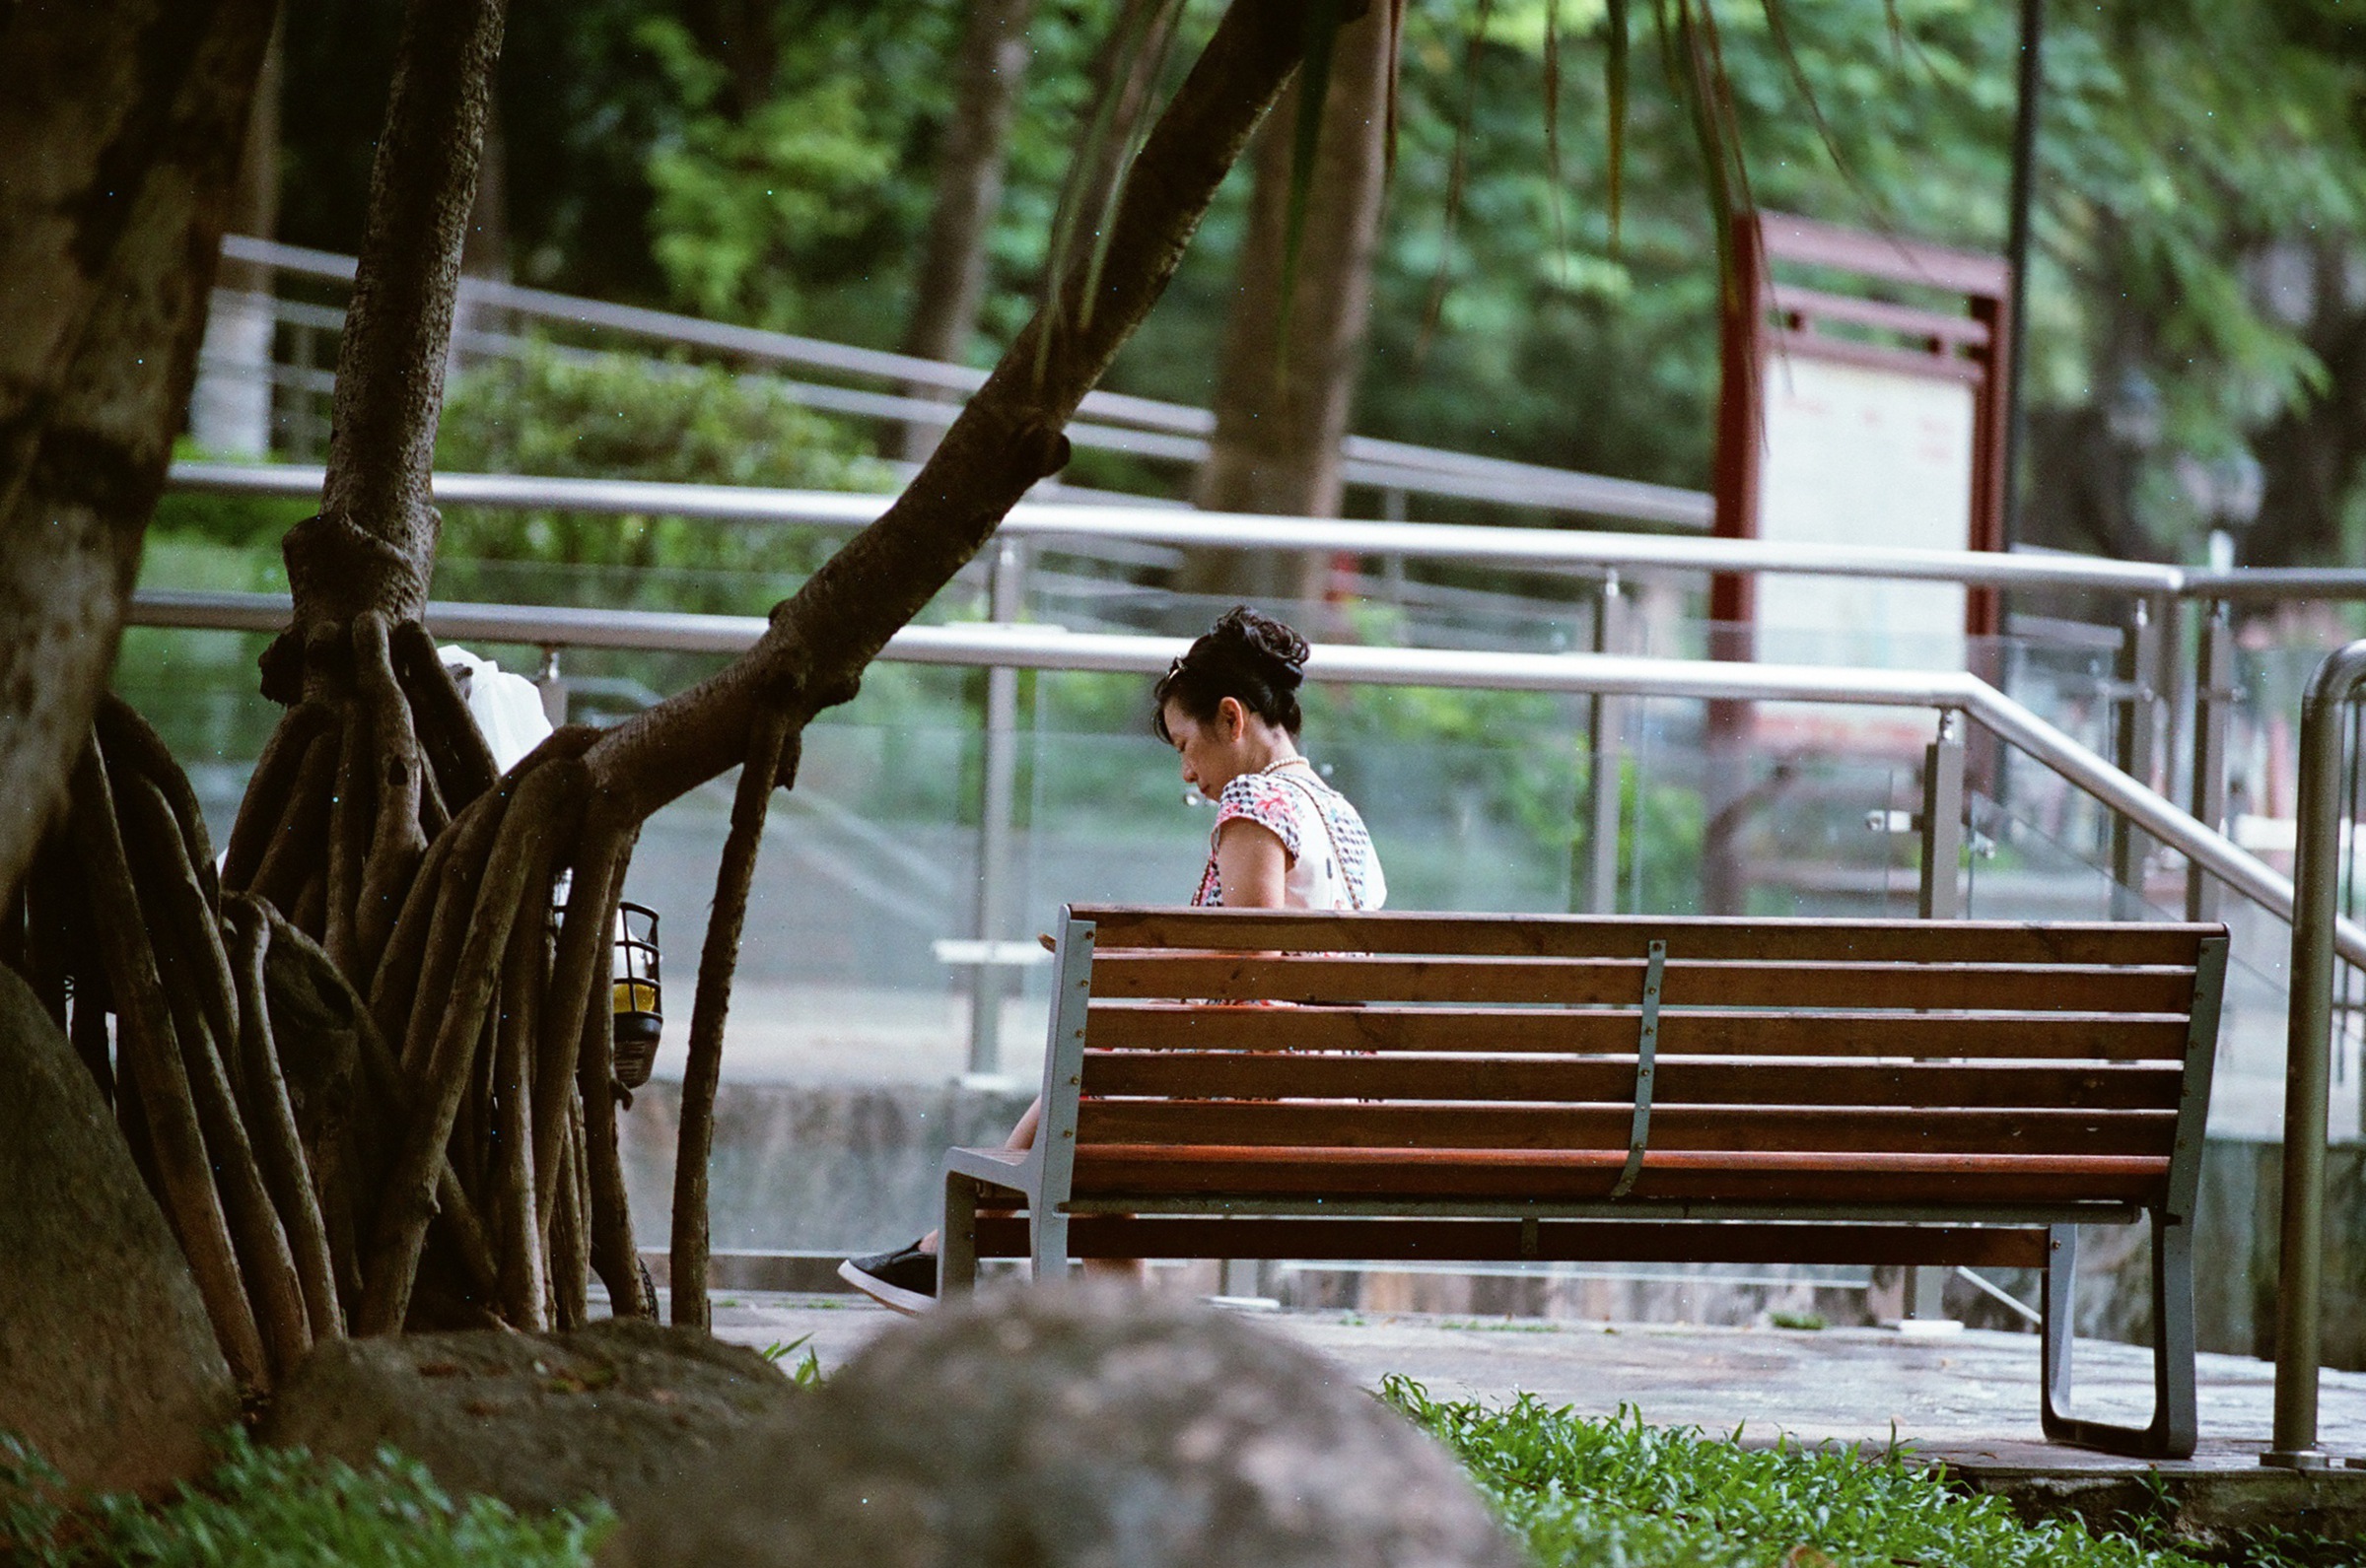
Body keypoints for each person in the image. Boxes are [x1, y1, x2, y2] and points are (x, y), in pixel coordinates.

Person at [840, 606, 1386, 1313]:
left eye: (1186, 744)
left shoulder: (1258, 798)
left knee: (1085, 1107)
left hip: (1276, 1084)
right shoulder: (1339, 812)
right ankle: (955, 1259)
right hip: (1342, 1087)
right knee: (1090, 1093)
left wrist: (1145, 989)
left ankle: (953, 1255)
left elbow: (1249, 966)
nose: (1189, 773)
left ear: (1232, 719)